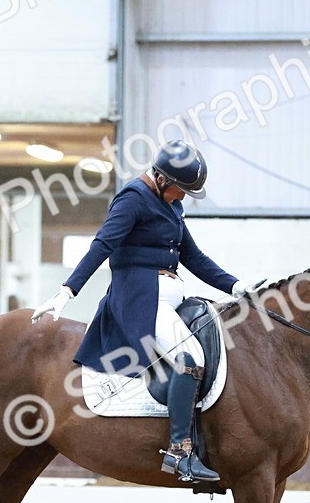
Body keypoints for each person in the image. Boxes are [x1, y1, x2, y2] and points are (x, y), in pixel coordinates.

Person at [31, 140, 257, 483]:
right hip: (140, 301)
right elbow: (102, 245)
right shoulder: (133, 198)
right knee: (189, 359)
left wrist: (234, 286)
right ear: (162, 179)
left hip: (168, 301)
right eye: (180, 189)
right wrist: (68, 290)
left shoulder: (171, 206)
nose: (183, 197)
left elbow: (192, 257)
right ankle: (180, 452)